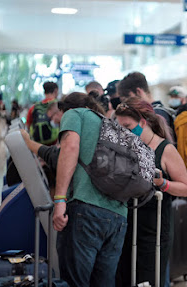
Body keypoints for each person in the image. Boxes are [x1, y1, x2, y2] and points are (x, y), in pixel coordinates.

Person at [52, 92, 128, 287]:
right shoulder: (109, 124)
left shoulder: (74, 114)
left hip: (86, 211)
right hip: (118, 216)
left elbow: (69, 148)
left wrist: (59, 199)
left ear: (66, 108)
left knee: (75, 282)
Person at [114, 98, 187, 287]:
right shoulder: (127, 147)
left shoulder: (166, 149)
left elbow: (184, 187)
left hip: (154, 229)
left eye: (127, 126)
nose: (124, 132)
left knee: (148, 279)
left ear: (142, 122)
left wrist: (162, 183)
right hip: (128, 225)